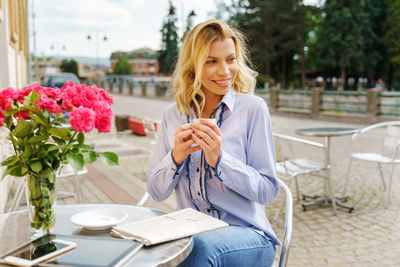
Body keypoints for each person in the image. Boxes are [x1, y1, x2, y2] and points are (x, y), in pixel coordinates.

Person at [146, 19, 279, 267]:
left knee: (199, 251)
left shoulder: (253, 110)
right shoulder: (171, 115)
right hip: (189, 232)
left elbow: (267, 190)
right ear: (192, 66)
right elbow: (156, 192)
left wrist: (221, 161)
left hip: (247, 235)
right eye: (211, 61)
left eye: (230, 59)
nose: (225, 71)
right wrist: (175, 157)